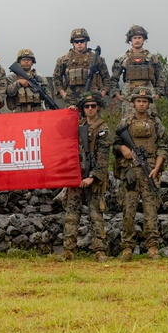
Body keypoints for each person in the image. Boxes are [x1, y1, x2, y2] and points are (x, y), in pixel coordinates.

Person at [113, 87, 166, 261]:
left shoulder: (155, 123)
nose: (141, 104)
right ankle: (127, 248)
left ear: (149, 104)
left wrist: (156, 168)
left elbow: (163, 147)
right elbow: (115, 143)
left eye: (144, 101)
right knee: (128, 211)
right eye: (138, 101)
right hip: (131, 172)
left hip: (149, 170)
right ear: (134, 103)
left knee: (151, 211)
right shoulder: (125, 122)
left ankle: (152, 247)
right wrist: (123, 148)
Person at [60, 92, 112, 262]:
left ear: (98, 108)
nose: (90, 109)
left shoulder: (103, 129)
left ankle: (100, 250)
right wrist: (69, 113)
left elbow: (104, 158)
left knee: (96, 215)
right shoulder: (78, 125)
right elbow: (59, 132)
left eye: (93, 106)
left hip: (93, 179)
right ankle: (68, 249)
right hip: (76, 177)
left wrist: (93, 177)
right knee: (71, 215)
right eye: (86, 106)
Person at [111, 25, 164, 119]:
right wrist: (118, 95)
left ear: (144, 39)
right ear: (130, 40)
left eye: (140, 37)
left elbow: (160, 77)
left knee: (150, 120)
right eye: (134, 38)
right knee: (128, 123)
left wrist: (158, 94)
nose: (137, 40)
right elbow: (114, 79)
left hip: (148, 96)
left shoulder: (152, 58)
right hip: (128, 96)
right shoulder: (122, 59)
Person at [53, 28, 110, 110]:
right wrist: (63, 94)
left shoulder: (96, 59)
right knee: (72, 122)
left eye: (82, 41)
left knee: (93, 121)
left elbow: (106, 78)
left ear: (86, 42)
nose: (79, 43)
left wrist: (102, 95)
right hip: (71, 98)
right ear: (73, 43)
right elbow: (56, 78)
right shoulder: (63, 60)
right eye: (76, 41)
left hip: (92, 97)